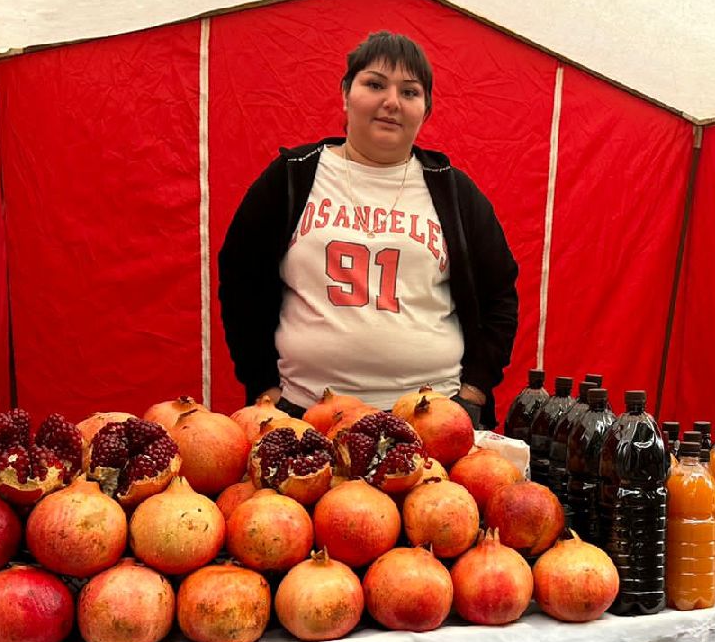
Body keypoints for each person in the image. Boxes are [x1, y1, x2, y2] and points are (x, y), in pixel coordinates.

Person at [217, 31, 519, 429]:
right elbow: (241, 281)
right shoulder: (293, 177)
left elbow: (500, 296)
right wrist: (264, 387)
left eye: (409, 92)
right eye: (375, 84)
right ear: (346, 93)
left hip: (433, 419)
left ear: (426, 110)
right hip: (306, 415)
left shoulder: (453, 190)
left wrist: (474, 392)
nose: (391, 102)